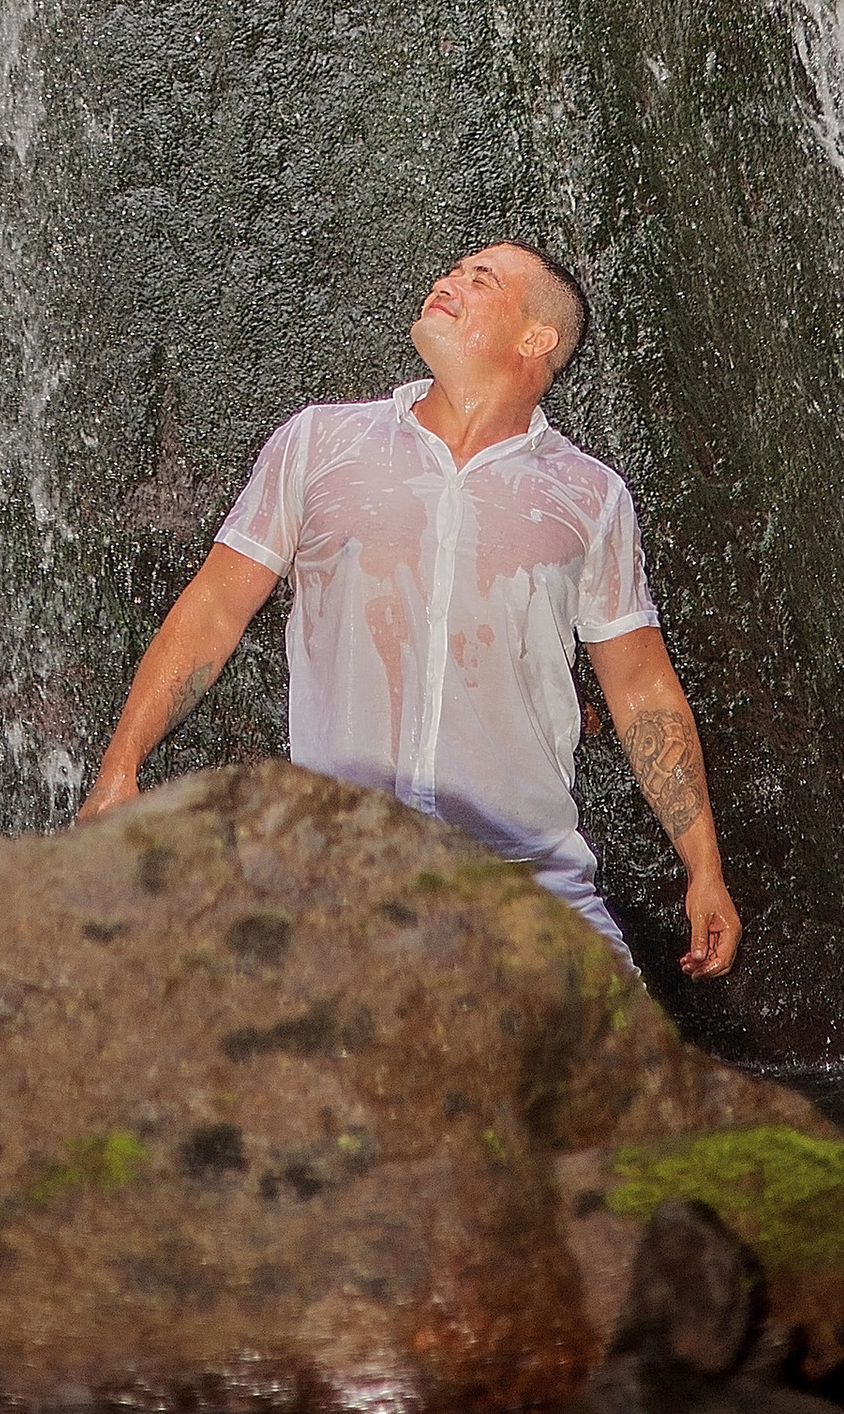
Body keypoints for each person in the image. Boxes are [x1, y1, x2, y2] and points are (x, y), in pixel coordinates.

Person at [76, 241, 742, 980]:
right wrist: (121, 767)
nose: (448, 281)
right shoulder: (319, 443)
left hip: (526, 886)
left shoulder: (590, 497)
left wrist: (704, 869)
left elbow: (641, 688)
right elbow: (213, 611)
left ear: (536, 338)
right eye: (451, 271)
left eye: (479, 279)